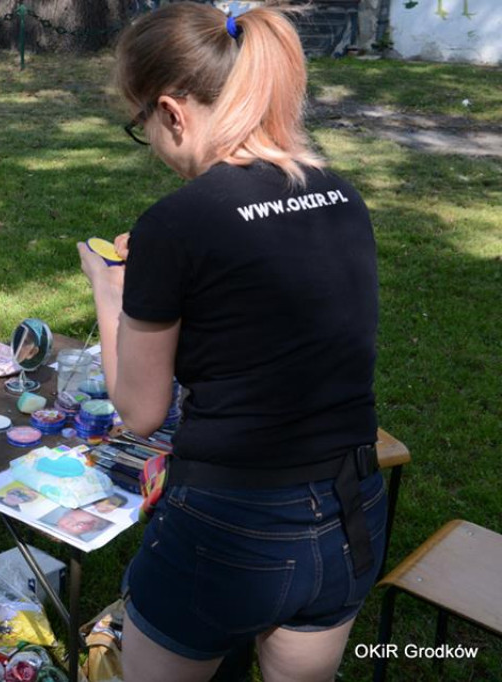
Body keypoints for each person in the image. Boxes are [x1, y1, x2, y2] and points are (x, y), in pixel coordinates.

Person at [77, 5, 386, 681]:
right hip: (350, 510)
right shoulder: (341, 193)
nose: (153, 146)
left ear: (172, 111)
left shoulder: (177, 222)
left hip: (230, 524)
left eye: (142, 129)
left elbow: (139, 410)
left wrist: (111, 294)